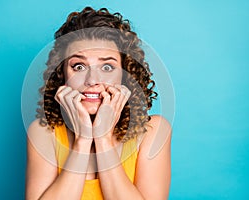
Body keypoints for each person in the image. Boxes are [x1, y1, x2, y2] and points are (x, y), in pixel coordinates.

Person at [25, 6, 172, 200]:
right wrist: (83, 140)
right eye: (79, 66)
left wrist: (102, 139)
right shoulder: (44, 132)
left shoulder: (153, 131)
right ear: (62, 75)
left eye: (107, 66)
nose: (92, 80)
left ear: (125, 76)